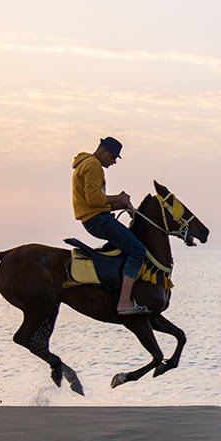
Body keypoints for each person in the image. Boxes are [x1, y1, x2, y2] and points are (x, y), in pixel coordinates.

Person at [72, 136, 149, 317]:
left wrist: (119, 205)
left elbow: (94, 202)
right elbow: (94, 199)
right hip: (98, 220)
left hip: (94, 217)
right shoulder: (93, 165)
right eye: (113, 157)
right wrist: (118, 198)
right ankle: (124, 302)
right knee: (138, 250)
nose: (114, 162)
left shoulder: (85, 163)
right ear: (103, 151)